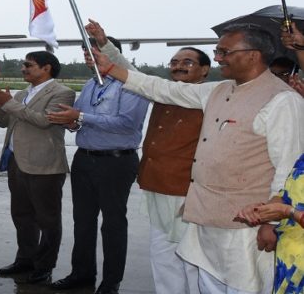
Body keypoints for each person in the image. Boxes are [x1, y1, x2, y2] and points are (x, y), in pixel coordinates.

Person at [92, 24, 304, 294]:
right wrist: (111, 68)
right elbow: (161, 88)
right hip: (205, 216)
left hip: (246, 224)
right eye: (217, 51)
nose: (218, 58)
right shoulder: (216, 90)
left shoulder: (282, 101)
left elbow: (287, 169)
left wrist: (271, 223)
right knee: (207, 284)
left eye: (225, 52)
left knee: (244, 286)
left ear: (253, 55)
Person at [85, 19, 210, 293]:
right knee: (162, 250)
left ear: (205, 70)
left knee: (190, 254)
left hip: (185, 189)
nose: (178, 65)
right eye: (174, 61)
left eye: (187, 62)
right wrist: (104, 43)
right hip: (156, 184)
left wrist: (109, 56)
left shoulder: (206, 95)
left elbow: (137, 79)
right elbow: (135, 76)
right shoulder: (166, 91)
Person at [47, 36, 149, 294]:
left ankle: (111, 281)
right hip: (85, 158)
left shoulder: (132, 85)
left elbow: (127, 123)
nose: (87, 57)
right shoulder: (91, 84)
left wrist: (80, 116)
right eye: (84, 52)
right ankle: (81, 273)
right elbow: (82, 118)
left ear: (112, 54)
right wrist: (72, 122)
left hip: (116, 161)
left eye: (93, 51)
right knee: (82, 220)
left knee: (113, 223)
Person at [0, 51, 75, 285]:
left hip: (45, 165)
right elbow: (6, 121)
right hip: (17, 162)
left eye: (28, 65)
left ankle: (44, 265)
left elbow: (44, 121)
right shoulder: (23, 93)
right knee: (22, 216)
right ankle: (25, 259)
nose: (23, 68)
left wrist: (8, 102)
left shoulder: (63, 93)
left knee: (48, 219)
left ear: (47, 68)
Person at [236, 152, 304, 293]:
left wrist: (287, 211)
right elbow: (288, 196)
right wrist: (262, 210)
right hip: (289, 268)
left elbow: (289, 209)